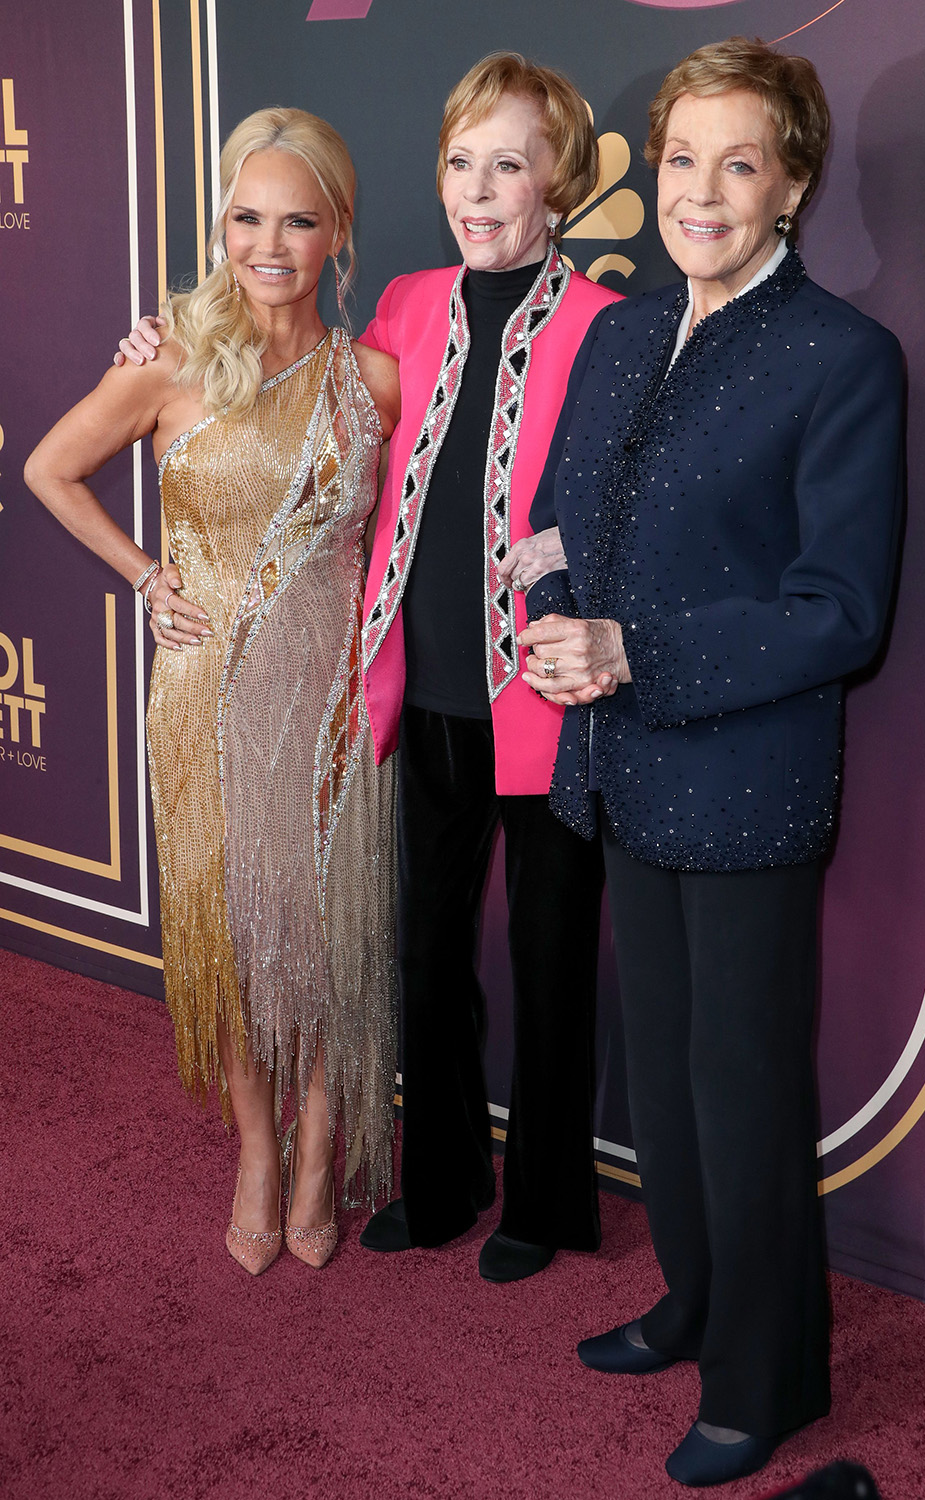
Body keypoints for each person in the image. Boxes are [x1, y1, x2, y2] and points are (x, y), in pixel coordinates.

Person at [119, 53, 621, 1284]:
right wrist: (161, 337)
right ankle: (440, 1182)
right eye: (461, 161)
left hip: (543, 695)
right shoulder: (401, 303)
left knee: (554, 952)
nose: (479, 187)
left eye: (508, 163)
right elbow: (288, 398)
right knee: (420, 952)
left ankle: (544, 1206)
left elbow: (606, 501)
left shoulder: (614, 325)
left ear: (559, 180)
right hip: (407, 685)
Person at [510, 37, 904, 1487]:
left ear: (792, 182)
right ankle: (692, 1302)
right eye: (683, 158)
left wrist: (633, 653)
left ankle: (769, 1376)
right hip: (617, 765)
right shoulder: (617, 329)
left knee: (740, 1088)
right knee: (664, 1081)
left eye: (741, 162)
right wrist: (550, 616)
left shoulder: (845, 358)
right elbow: (552, 509)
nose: (703, 190)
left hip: (745, 781)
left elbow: (840, 612)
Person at [26, 108, 401, 1276]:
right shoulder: (171, 360)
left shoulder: (380, 379)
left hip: (339, 697)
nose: (269, 244)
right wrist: (145, 577)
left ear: (339, 230)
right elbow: (49, 467)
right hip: (204, 696)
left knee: (333, 936)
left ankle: (321, 1144)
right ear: (220, 226)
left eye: (297, 220)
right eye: (246, 218)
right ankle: (254, 1145)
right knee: (231, 938)